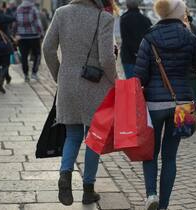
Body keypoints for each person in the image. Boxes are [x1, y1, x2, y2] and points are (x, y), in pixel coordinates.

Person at [42, 0, 117, 206]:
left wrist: (60, 74)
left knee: (73, 135)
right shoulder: (104, 18)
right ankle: (88, 190)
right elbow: (107, 59)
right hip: (95, 86)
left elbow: (48, 48)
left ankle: (65, 177)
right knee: (94, 139)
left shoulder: (61, 12)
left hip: (68, 85)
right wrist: (116, 81)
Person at [134, 0, 196, 209]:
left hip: (155, 104)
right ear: (178, 12)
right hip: (182, 103)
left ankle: (151, 195)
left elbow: (140, 75)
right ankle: (164, 205)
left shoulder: (149, 37)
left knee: (151, 152)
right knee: (170, 157)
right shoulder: (189, 35)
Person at [120, 0, 152, 78]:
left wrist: (133, 51)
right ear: (138, 5)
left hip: (128, 56)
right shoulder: (146, 19)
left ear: (127, 5)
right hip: (143, 56)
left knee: (131, 83)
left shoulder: (124, 18)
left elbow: (125, 38)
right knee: (143, 83)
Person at [16, 0, 43, 82]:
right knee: (37, 54)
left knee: (24, 56)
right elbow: (37, 23)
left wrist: (16, 33)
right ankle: (34, 73)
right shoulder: (33, 9)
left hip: (22, 37)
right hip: (34, 36)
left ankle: (26, 75)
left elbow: (16, 22)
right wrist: (41, 33)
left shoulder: (19, 9)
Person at [0, 0, 16, 93]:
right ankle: (1, 80)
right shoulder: (2, 16)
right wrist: (7, 9)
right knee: (6, 65)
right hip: (4, 44)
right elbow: (13, 18)